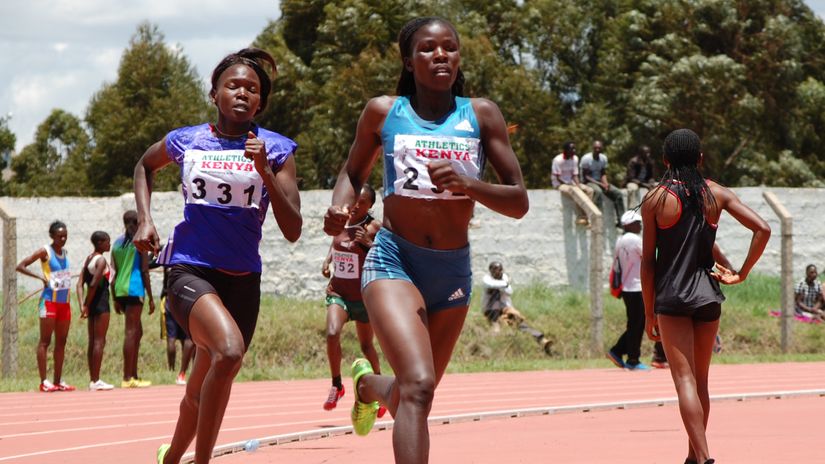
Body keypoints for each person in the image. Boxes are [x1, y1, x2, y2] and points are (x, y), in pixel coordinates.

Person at [323, 17, 528, 464]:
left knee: (418, 393)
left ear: (459, 57)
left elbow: (518, 201)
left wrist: (468, 184)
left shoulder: (481, 115)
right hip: (395, 259)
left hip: (452, 268)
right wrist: (341, 208)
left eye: (449, 48)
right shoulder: (384, 112)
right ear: (408, 60)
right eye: (428, 48)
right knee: (416, 386)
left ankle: (367, 386)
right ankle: (375, 388)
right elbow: (352, 172)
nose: (440, 55)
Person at [134, 47, 302, 464]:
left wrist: (264, 170)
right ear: (214, 94)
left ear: (260, 102)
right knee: (228, 351)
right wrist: (145, 219)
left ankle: (171, 457)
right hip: (190, 269)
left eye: (252, 89)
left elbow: (294, 229)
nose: (242, 93)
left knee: (203, 384)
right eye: (233, 86)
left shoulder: (277, 149)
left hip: (243, 280)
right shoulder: (187, 140)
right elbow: (144, 166)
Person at [641, 128, 770, 464]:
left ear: (665, 160)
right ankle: (693, 458)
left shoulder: (656, 199)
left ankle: (704, 458)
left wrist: (648, 312)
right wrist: (741, 273)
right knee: (701, 383)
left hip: (671, 297)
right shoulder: (716, 194)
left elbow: (648, 263)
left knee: (683, 381)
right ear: (700, 158)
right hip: (707, 296)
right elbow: (763, 229)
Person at [320, 184, 385, 415]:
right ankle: (337, 385)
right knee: (331, 333)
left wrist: (368, 243)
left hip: (363, 297)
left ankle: (382, 389)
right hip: (339, 292)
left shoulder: (374, 227)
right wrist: (328, 260)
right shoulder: (342, 218)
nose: (356, 205)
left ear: (370, 206)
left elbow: (386, 256)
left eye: (362, 202)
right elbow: (336, 239)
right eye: (354, 200)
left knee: (366, 346)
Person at [16, 221, 76, 392]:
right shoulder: (45, 251)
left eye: (65, 235)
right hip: (49, 301)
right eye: (59, 236)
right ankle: (44, 381)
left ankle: (57, 380)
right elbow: (20, 266)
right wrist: (41, 278)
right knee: (45, 341)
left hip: (64, 303)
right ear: (52, 236)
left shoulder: (65, 252)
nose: (63, 239)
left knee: (61, 342)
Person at [111, 210, 155, 388]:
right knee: (131, 332)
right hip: (135, 288)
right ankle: (127, 377)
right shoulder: (140, 243)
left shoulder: (116, 243)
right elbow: (144, 271)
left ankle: (134, 374)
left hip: (120, 290)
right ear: (138, 223)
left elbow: (113, 273)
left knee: (137, 332)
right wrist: (151, 297)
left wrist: (114, 297)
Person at [606, 211, 649, 370]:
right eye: (637, 222)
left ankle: (618, 351)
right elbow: (649, 256)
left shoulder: (620, 240)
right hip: (636, 287)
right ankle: (632, 359)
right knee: (637, 324)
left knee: (636, 323)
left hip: (627, 288)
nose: (640, 225)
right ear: (629, 224)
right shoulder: (634, 240)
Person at [482, 261, 552, 355]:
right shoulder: (487, 278)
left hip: (505, 310)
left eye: (499, 270)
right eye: (494, 270)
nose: (497, 272)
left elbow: (509, 291)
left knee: (521, 324)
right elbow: (490, 284)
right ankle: (493, 346)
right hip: (491, 311)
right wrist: (504, 283)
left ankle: (542, 340)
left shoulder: (504, 277)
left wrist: (503, 284)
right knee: (497, 327)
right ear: (490, 271)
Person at [76, 231, 115, 391]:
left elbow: (79, 284)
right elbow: (93, 284)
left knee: (93, 341)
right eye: (107, 241)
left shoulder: (88, 259)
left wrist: (82, 305)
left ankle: (93, 379)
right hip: (100, 303)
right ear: (99, 243)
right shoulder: (101, 260)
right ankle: (96, 379)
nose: (109, 244)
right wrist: (86, 304)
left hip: (92, 305)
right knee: (99, 341)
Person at [580, 140, 625, 226]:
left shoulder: (603, 158)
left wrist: (606, 184)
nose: (597, 150)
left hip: (600, 181)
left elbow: (603, 173)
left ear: (601, 149)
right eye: (595, 148)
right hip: (589, 182)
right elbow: (586, 177)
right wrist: (600, 184)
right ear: (592, 148)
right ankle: (597, 218)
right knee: (598, 192)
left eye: (599, 148)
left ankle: (621, 220)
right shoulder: (586, 159)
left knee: (617, 193)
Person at [552, 141, 594, 226]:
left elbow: (575, 175)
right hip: (560, 184)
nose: (574, 151)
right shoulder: (558, 160)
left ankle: (584, 216)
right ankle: (581, 217)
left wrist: (578, 185)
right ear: (565, 150)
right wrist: (571, 186)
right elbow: (558, 178)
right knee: (575, 191)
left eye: (574, 148)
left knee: (589, 190)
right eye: (572, 149)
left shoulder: (575, 158)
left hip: (571, 182)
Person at [625, 144, 656, 209]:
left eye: (649, 152)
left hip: (645, 182)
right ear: (641, 153)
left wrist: (651, 182)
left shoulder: (650, 162)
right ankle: (632, 210)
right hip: (634, 182)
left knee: (658, 186)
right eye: (646, 153)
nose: (648, 154)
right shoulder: (633, 161)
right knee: (632, 189)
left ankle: (654, 208)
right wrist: (644, 185)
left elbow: (651, 176)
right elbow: (630, 178)